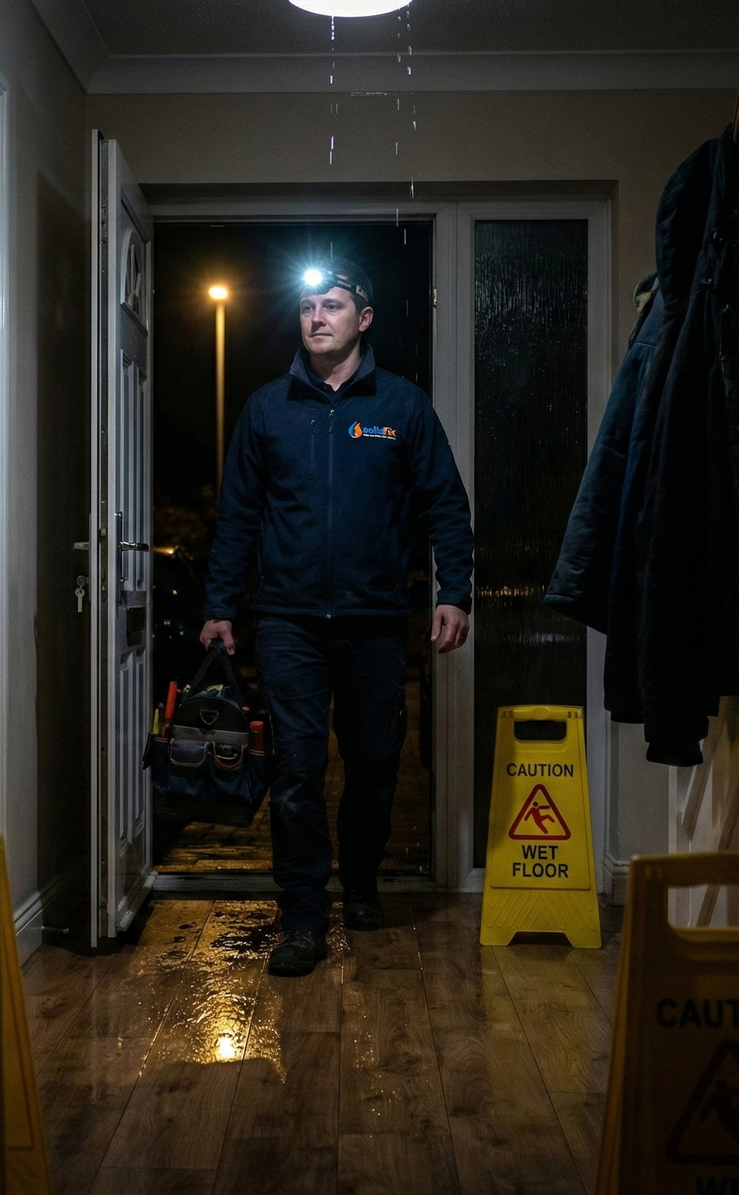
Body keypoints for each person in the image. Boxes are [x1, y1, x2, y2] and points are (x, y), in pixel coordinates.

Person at [201, 260, 475, 977]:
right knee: (296, 767)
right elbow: (237, 516)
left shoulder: (402, 406)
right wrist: (220, 607)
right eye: (306, 306)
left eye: (332, 304)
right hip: (287, 620)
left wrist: (454, 592)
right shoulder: (268, 408)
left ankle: (360, 878)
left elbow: (445, 504)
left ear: (364, 318)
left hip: (374, 621)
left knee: (375, 762)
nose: (317, 317)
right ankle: (302, 915)